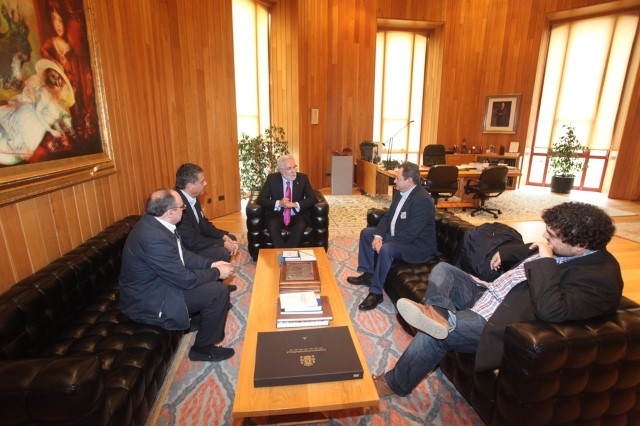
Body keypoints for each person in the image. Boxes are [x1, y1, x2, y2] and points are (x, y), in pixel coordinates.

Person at [372, 202, 623, 397]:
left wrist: (546, 259)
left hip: (498, 319)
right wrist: (504, 250)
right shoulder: (568, 250)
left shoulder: (601, 279)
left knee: (434, 333)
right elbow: (528, 250)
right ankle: (440, 314)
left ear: (580, 244)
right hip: (487, 292)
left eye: (551, 236)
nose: (545, 240)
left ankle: (395, 384)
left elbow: (551, 310)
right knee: (443, 270)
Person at [119, 188, 236, 362]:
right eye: (182, 207)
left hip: (159, 283)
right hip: (147, 299)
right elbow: (184, 280)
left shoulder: (156, 222)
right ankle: (202, 349)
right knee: (218, 292)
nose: (185, 210)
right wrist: (216, 272)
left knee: (210, 282)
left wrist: (210, 264)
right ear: (170, 212)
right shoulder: (153, 239)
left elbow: (183, 255)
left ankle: (193, 318)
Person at [347, 162, 438, 311]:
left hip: (417, 246)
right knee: (367, 233)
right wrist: (378, 236)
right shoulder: (401, 193)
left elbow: (410, 235)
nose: (394, 181)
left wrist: (383, 242)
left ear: (409, 181)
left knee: (387, 249)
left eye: (398, 178)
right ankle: (368, 274)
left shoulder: (422, 201)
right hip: (400, 235)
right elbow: (388, 217)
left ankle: (376, 293)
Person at [0, 59, 75, 165]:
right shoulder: (46, 93)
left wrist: (59, 131)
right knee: (12, 141)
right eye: (55, 79)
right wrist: (51, 130)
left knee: (18, 150)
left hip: (38, 130)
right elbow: (38, 112)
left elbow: (54, 118)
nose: (63, 88)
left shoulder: (57, 102)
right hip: (32, 119)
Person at [175, 163, 239, 264]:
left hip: (196, 239)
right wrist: (222, 243)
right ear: (190, 186)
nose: (206, 183)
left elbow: (203, 224)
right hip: (187, 250)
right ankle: (215, 276)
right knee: (222, 252)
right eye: (202, 181)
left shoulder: (192, 196)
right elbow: (191, 241)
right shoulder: (177, 205)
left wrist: (222, 236)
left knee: (231, 238)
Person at [256, 154, 318, 248]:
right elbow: (261, 199)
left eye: (294, 167)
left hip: (297, 215)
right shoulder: (272, 179)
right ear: (281, 170)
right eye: (289, 168)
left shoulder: (303, 178)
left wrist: (295, 204)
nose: (294, 171)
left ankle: (289, 253)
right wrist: (279, 203)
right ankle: (282, 253)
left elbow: (313, 198)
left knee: (301, 225)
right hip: (277, 215)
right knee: (272, 226)